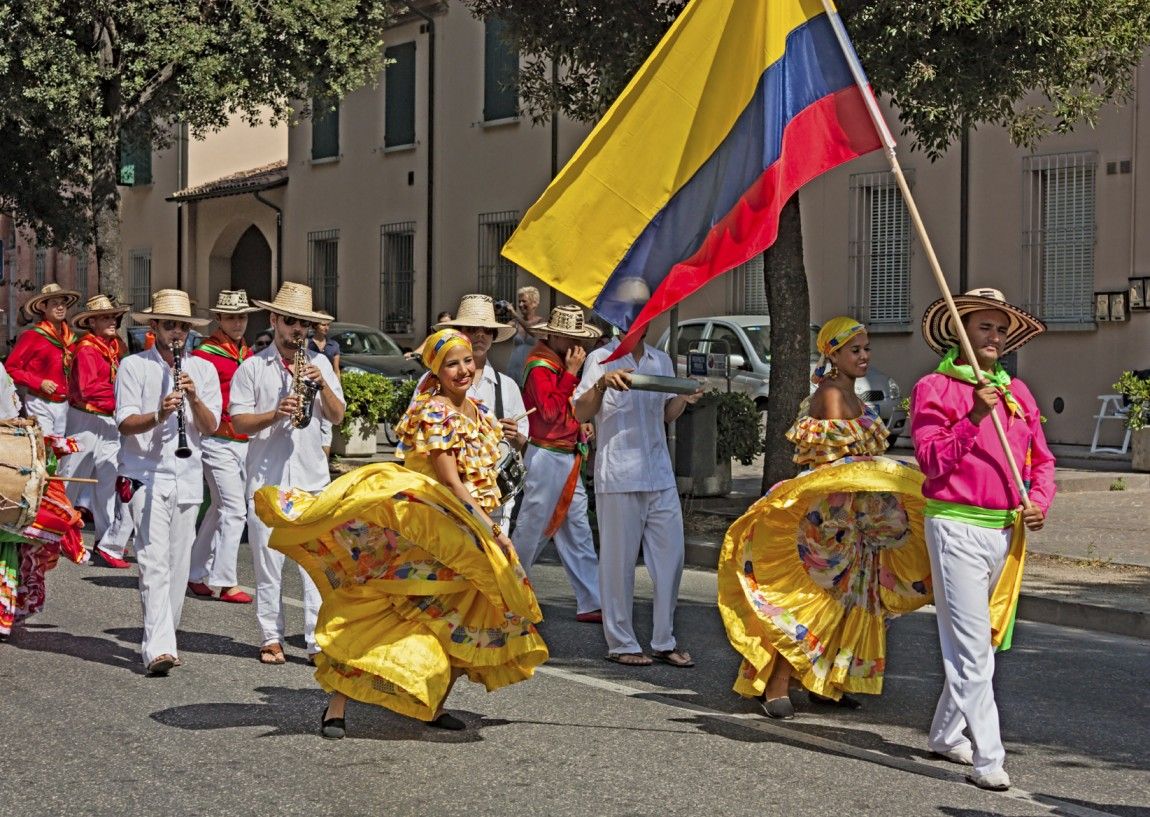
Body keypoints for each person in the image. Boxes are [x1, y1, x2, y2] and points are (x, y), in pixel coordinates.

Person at [256, 329, 548, 738]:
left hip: (468, 531)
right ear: (437, 371)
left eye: (466, 361)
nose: (462, 370)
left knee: (461, 614)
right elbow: (451, 484)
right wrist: (494, 529)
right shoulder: (435, 413)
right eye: (451, 364)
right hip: (432, 530)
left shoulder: (479, 412)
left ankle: (433, 704)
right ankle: (336, 706)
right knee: (385, 611)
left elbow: (483, 477)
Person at [717, 317, 933, 720]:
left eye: (867, 348)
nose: (864, 356)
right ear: (832, 354)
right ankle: (777, 686)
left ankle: (828, 683)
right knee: (818, 602)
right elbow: (838, 465)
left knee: (854, 601)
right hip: (830, 520)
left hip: (858, 519)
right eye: (855, 350)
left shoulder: (855, 396)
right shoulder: (832, 394)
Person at [912, 288, 1055, 792]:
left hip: (1005, 533)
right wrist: (973, 416)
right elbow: (930, 462)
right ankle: (988, 758)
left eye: (999, 329)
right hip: (955, 526)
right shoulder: (935, 388)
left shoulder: (1018, 392)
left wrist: (1040, 500)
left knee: (983, 641)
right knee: (972, 647)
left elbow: (1042, 461)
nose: (993, 337)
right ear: (961, 332)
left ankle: (947, 734)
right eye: (983, 328)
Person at [229, 282, 345, 666]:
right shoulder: (252, 367)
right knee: (267, 563)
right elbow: (240, 422)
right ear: (275, 320)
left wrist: (323, 382)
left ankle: (316, 640)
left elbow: (337, 414)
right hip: (268, 480)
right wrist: (274, 413)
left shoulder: (322, 363)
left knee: (315, 566)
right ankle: (271, 636)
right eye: (291, 321)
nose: (298, 330)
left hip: (312, 479)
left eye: (304, 324)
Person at [573, 327, 703, 667]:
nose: (639, 322)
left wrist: (683, 397)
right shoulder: (601, 359)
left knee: (671, 559)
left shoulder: (660, 360)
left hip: (658, 472)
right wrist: (602, 384)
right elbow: (580, 413)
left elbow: (664, 414)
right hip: (619, 473)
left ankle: (664, 640)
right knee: (618, 563)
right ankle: (621, 643)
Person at [115, 290, 221, 675]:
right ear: (155, 327)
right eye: (170, 325)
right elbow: (124, 423)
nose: (177, 333)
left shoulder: (204, 371)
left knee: (177, 566)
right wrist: (159, 414)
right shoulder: (133, 367)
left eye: (183, 326)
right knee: (152, 560)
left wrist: (193, 399)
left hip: (188, 474)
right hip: (145, 474)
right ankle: (157, 646)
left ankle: (165, 637)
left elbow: (210, 427)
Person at [512, 304, 602, 623]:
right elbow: (549, 412)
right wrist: (573, 374)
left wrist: (580, 426)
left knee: (576, 527)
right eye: (568, 338)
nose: (575, 345)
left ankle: (591, 599)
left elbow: (563, 410)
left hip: (567, 452)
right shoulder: (539, 365)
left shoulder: (557, 362)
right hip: (546, 454)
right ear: (553, 335)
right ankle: (509, 590)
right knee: (532, 526)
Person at [186, 290, 262, 604]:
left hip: (243, 440)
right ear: (219, 318)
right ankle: (225, 580)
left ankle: (193, 573)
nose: (238, 323)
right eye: (231, 317)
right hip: (216, 439)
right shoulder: (204, 355)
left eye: (242, 317)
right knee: (234, 509)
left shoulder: (249, 353)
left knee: (220, 508)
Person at [428, 294, 529, 521]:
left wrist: (516, 438)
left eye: (486, 330)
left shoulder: (507, 387)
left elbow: (522, 448)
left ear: (493, 336)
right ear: (460, 332)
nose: (480, 335)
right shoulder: (432, 382)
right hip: (445, 498)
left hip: (493, 499)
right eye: (473, 329)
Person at [56, 295, 130, 565]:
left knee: (109, 480)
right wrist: (124, 397)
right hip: (85, 420)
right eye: (105, 318)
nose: (112, 322)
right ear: (92, 322)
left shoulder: (113, 347)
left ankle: (106, 540)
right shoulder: (87, 349)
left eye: (114, 317)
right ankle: (55, 533)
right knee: (71, 480)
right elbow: (88, 389)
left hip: (108, 420)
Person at [6, 283, 80, 437]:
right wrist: (39, 382)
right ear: (43, 308)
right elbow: (11, 369)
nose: (60, 307)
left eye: (63, 303)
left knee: (64, 451)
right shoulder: (32, 336)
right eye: (54, 304)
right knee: (46, 449)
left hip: (66, 404)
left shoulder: (71, 338)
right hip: (40, 402)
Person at [504, 286, 545, 385]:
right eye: (519, 302)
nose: (520, 305)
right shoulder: (515, 322)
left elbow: (534, 332)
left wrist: (515, 314)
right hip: (514, 370)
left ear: (534, 303)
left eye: (524, 301)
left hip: (531, 371)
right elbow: (499, 332)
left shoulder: (541, 322)